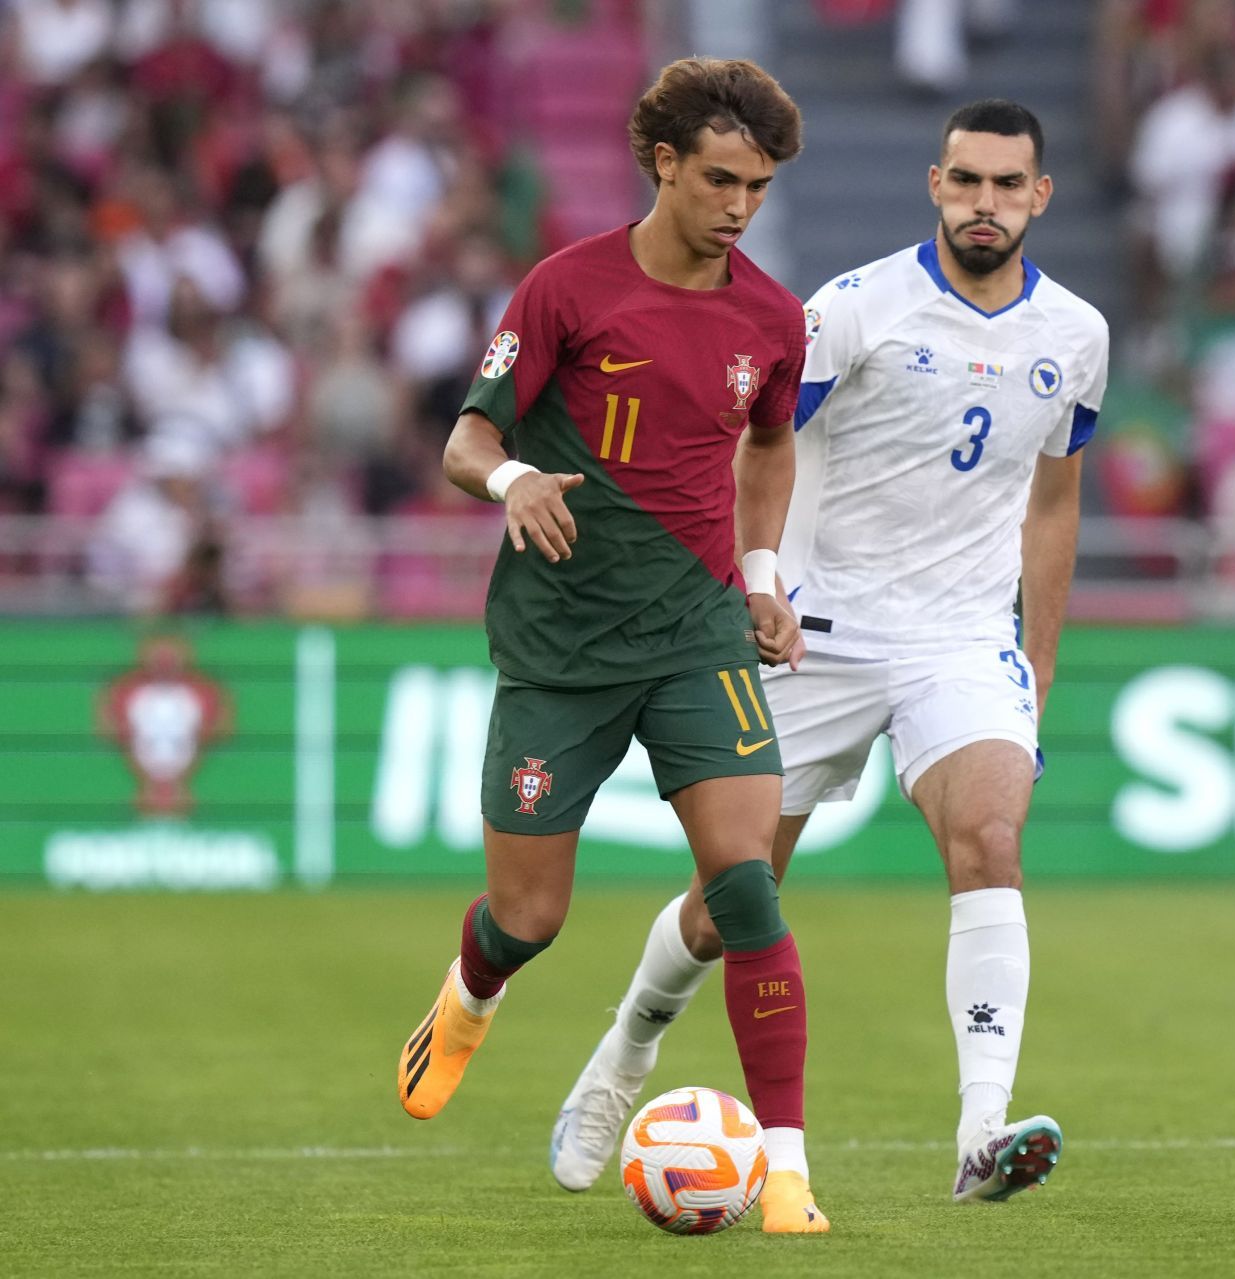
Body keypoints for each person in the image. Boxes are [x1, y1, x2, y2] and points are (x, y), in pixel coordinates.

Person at [550, 98, 1108, 1204]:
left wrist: (1037, 655)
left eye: (1008, 185)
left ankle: (981, 1129)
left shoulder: (1076, 334)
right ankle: (624, 1052)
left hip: (960, 636)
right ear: (934, 185)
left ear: (1039, 196)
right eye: (966, 181)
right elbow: (749, 444)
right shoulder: (853, 310)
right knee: (732, 903)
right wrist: (747, 589)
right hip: (816, 626)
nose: (985, 203)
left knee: (991, 837)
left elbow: (1054, 501)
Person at [394, 56, 830, 1235]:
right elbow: (466, 438)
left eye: (762, 186)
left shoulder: (774, 317)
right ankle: (470, 995)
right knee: (527, 918)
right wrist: (519, 474)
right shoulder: (565, 290)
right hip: (560, 643)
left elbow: (773, 444)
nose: (741, 206)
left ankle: (786, 1171)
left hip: (695, 631)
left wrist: (763, 575)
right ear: (666, 164)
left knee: (746, 882)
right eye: (723, 180)